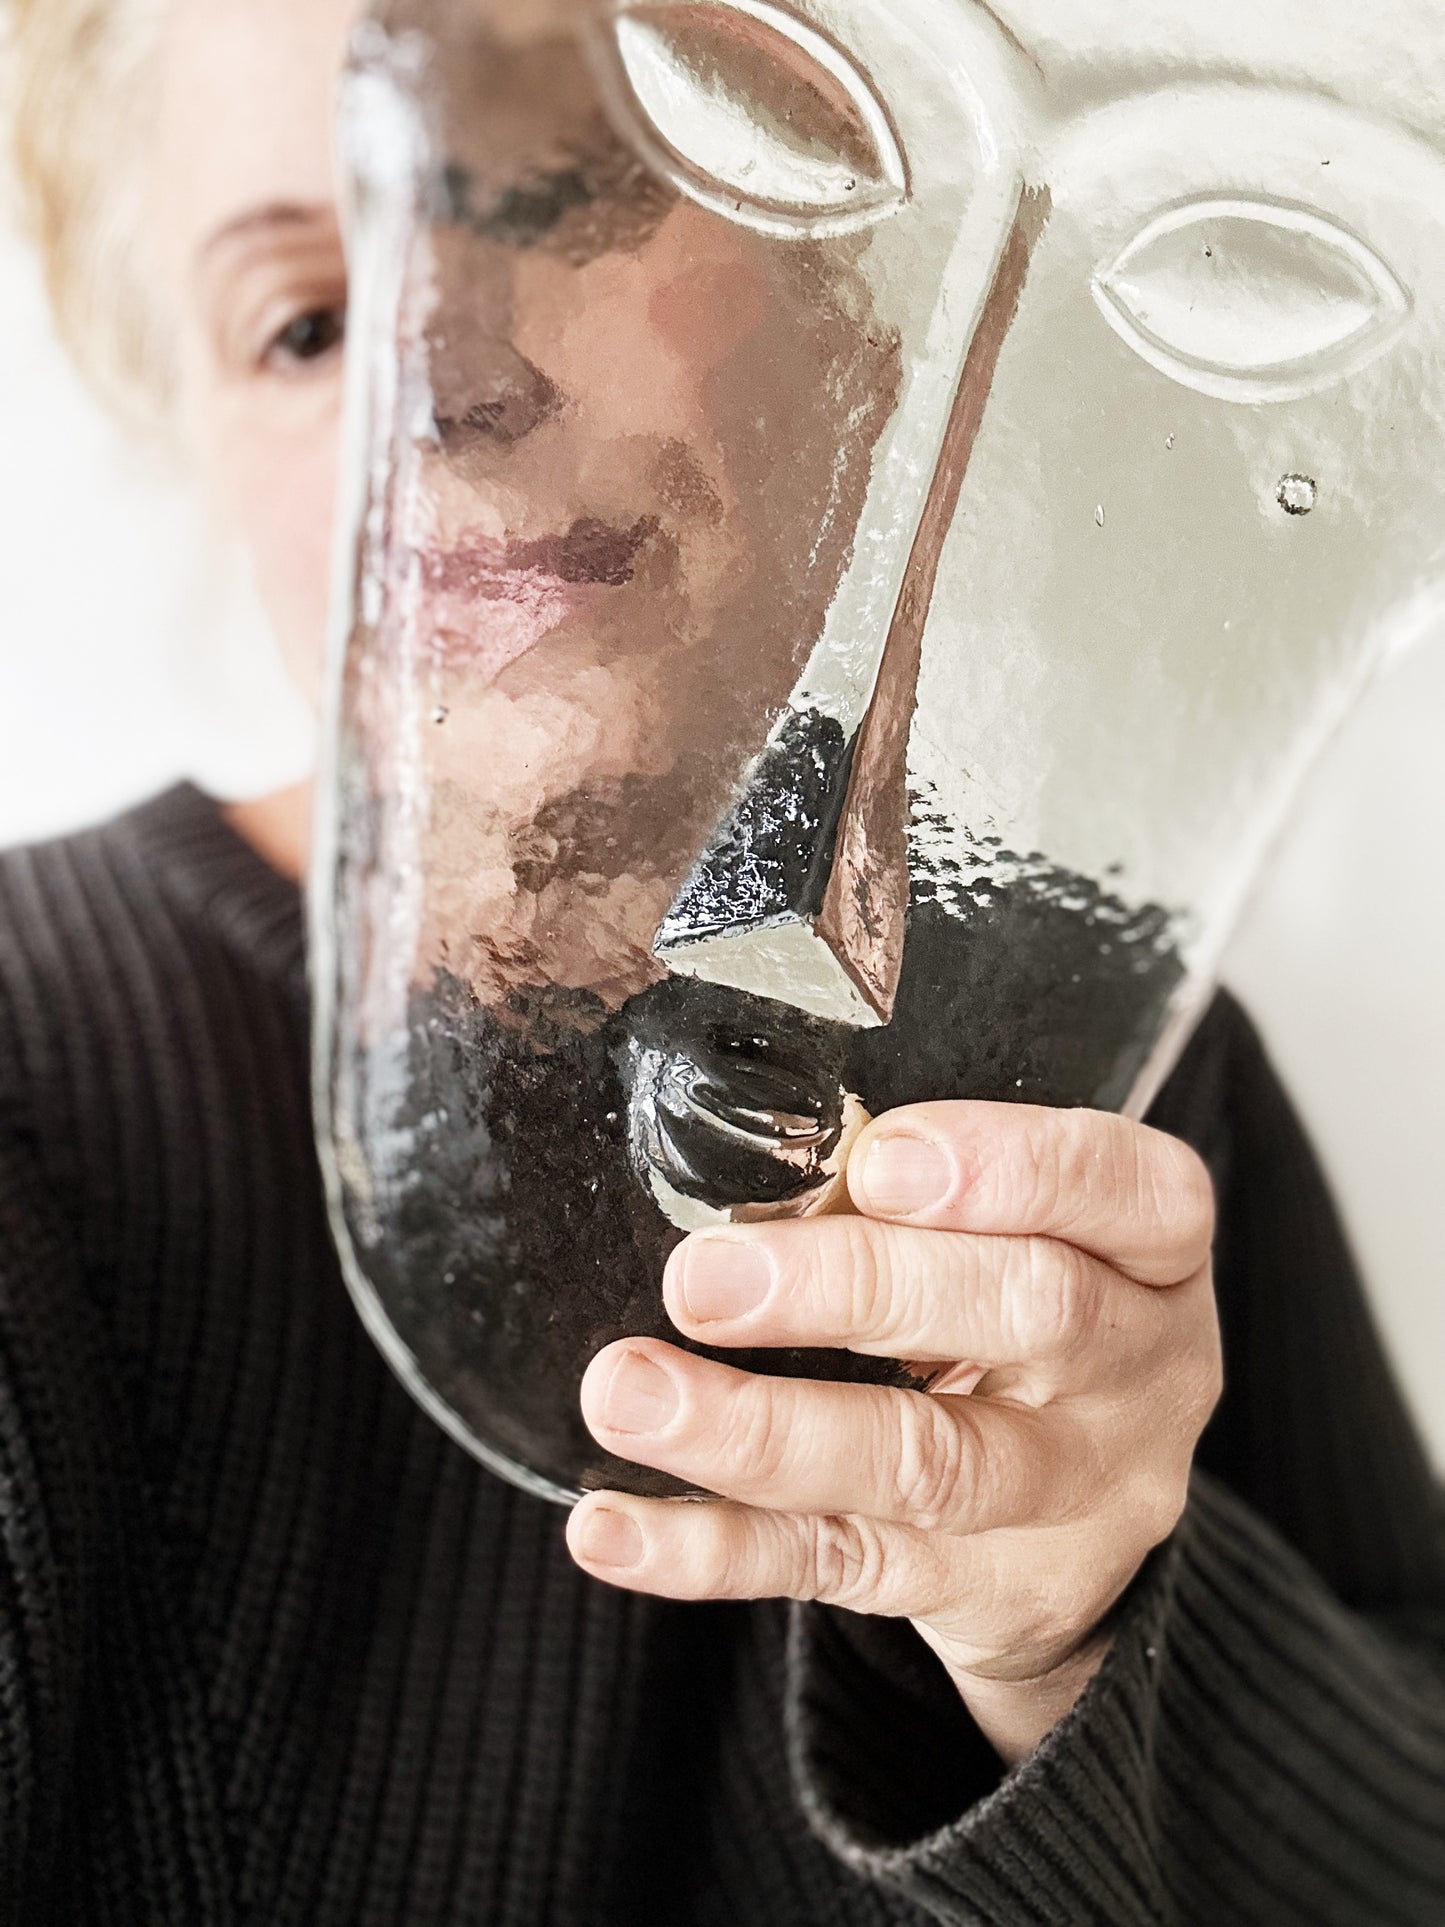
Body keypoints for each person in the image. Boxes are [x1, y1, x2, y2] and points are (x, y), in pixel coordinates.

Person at [3, 0, 1443, 1921]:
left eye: (566, 199)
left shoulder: (1122, 1110)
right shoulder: (31, 1103)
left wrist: (1079, 1653)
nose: (440, 376)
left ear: (845, 284)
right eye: (307, 324)